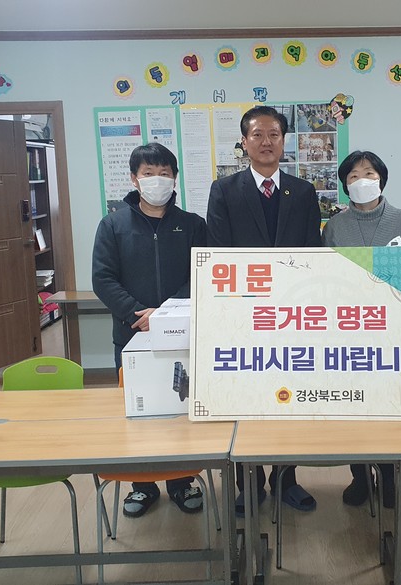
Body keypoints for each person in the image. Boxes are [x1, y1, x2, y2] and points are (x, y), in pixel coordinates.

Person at [206, 105, 321, 516]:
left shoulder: (303, 192)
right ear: (244, 142)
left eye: (274, 134)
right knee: (248, 398)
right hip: (243, 311)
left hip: (292, 314)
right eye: (257, 134)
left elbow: (312, 251)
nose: (266, 141)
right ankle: (249, 483)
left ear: (284, 141)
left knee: (288, 397)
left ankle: (287, 479)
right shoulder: (224, 190)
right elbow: (219, 252)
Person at [92, 142, 207, 518]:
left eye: (164, 173)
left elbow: (201, 274)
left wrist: (167, 313)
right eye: (148, 173)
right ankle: (141, 486)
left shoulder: (193, 225)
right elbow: (103, 278)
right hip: (131, 335)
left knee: (180, 409)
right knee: (137, 411)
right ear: (134, 179)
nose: (157, 180)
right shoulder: (113, 225)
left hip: (181, 334)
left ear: (175, 178)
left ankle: (181, 481)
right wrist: (136, 313)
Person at [322, 150, 401, 509]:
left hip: (392, 329)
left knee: (391, 408)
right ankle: (360, 476)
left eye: (370, 174)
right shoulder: (335, 226)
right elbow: (327, 277)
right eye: (354, 176)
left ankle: (391, 477)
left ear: (382, 179)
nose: (362, 181)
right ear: (345, 185)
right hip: (347, 330)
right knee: (354, 407)